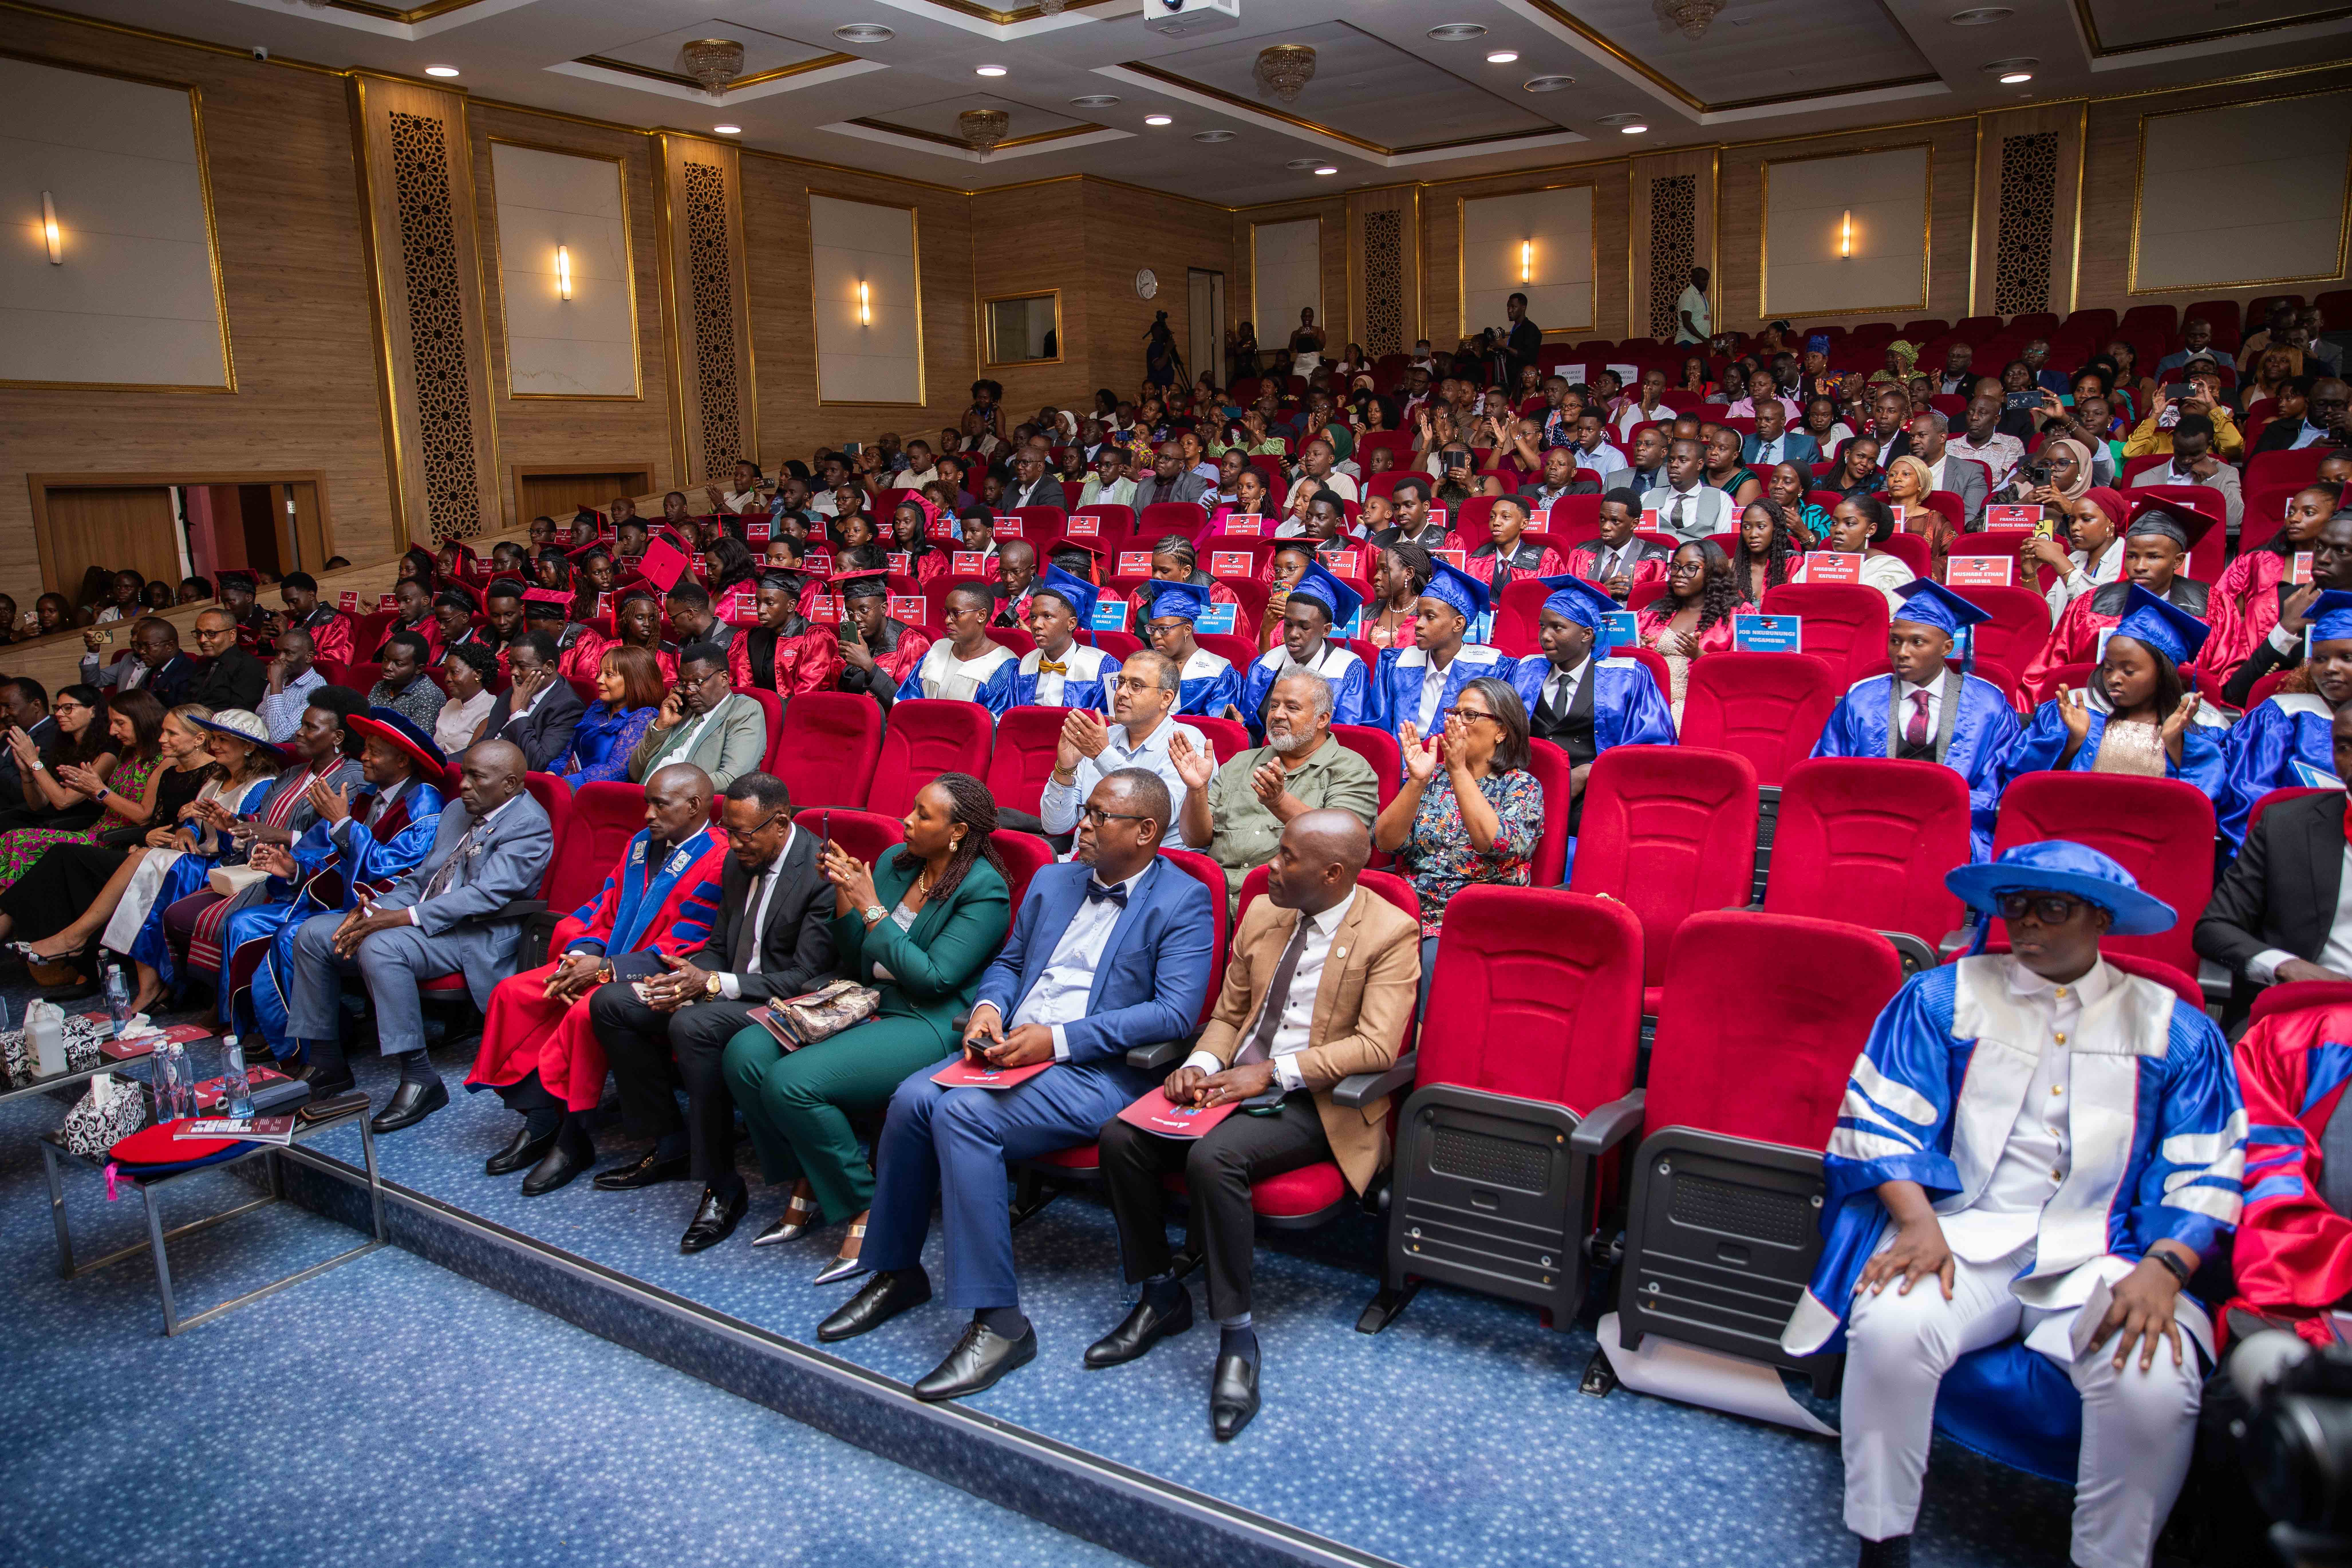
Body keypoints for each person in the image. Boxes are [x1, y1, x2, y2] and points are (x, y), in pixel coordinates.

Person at [814, 769, 1215, 1402]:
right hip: (1010, 1047)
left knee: (962, 1114)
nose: (1081, 824)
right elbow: (1006, 964)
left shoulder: (1183, 900)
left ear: (1145, 832)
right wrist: (988, 1009)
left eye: (1098, 816)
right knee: (914, 1098)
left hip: (1094, 1070)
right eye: (1084, 810)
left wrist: (1057, 1040)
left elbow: (1172, 1014)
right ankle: (896, 1269)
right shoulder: (1053, 880)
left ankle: (1000, 1322)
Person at [1090, 810, 1418, 1439]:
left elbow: (1377, 1048)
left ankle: (1238, 1338)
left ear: (1333, 873)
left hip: (1318, 1099)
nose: (1271, 863)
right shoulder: (1264, 913)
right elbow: (1227, 1011)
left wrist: (1270, 1073)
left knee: (1215, 1159)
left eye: (1289, 857)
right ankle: (1161, 1295)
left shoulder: (1390, 931)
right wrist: (1201, 1063)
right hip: (1232, 1078)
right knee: (1121, 1137)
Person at [725, 774, 1013, 1280]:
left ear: (957, 831)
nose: (907, 819)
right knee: (746, 1053)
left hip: (927, 1019)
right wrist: (845, 893)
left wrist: (871, 906)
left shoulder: (984, 889)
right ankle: (813, 1174)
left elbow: (933, 978)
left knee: (792, 1084)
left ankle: (867, 1206)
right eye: (912, 808)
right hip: (866, 998)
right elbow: (857, 959)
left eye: (924, 815)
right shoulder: (894, 865)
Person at [587, 771, 838, 1247]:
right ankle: (669, 1142)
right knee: (613, 1002)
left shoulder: (819, 873)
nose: (732, 843)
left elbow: (807, 977)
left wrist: (712, 984)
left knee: (693, 1024)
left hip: (786, 1004)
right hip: (725, 990)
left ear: (781, 823)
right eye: (728, 829)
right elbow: (719, 946)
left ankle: (722, 1184)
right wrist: (686, 976)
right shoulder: (740, 858)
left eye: (743, 832)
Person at [465, 764, 729, 1196]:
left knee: (588, 1011)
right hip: (602, 962)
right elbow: (602, 905)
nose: (647, 814)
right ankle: (542, 1118)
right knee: (513, 992)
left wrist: (607, 971)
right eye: (647, 803)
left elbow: (689, 945)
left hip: (655, 978)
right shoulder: (642, 845)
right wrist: (583, 954)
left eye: (660, 805)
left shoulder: (719, 859)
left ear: (695, 806)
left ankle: (572, 1138)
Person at [281, 738, 551, 1129]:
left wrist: (397, 920)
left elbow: (485, 896)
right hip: (426, 923)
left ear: (510, 784)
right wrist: (375, 911)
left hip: (476, 935)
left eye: (478, 778)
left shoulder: (529, 824)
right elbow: (424, 879)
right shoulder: (459, 810)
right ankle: (325, 1061)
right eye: (465, 775)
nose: (464, 786)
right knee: (312, 933)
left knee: (382, 946)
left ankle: (420, 1076)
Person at [222, 706, 449, 1064]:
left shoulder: (424, 802)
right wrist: (293, 868)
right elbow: (322, 852)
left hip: (378, 907)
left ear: (403, 760)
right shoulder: (366, 797)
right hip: (332, 899)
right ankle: (266, 1030)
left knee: (293, 934)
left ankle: (312, 1048)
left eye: (374, 751)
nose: (364, 757)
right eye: (366, 748)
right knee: (243, 922)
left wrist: (343, 822)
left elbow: (389, 868)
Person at [0, 700, 218, 972]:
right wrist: (143, 835)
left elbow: (162, 820)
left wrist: (99, 792)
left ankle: (67, 945)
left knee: (59, 854)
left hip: (158, 853)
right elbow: (155, 820)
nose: (113, 731)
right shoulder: (160, 766)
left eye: (172, 733)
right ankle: (68, 956)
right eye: (164, 732)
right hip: (138, 845)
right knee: (31, 844)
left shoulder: (205, 772)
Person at [1812, 580, 2020, 859]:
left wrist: (1933, 810)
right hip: (1868, 829)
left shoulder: (1987, 705)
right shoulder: (1861, 698)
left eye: (1917, 642)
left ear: (1947, 647)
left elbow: (1996, 785)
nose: (1902, 652)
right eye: (1895, 640)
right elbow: (1827, 771)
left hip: (1951, 833)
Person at [1374, 676, 1542, 1005]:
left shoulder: (1521, 787)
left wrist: (1459, 771)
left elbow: (1494, 844)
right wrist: (1418, 781)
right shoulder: (1432, 777)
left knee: (1420, 960)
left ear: (1501, 730)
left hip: (1473, 920)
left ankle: (1422, 1052)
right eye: (1454, 712)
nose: (1456, 722)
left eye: (1470, 715)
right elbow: (1385, 842)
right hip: (1407, 911)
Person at [1998, 585, 2223, 805]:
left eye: (2128, 671)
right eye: (2108, 668)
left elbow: (2204, 808)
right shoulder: (2070, 717)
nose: (2114, 678)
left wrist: (2177, 746)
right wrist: (2072, 743)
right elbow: (2021, 786)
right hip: (2070, 835)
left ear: (2163, 676)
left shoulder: (2193, 735)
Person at [1175, 668, 1380, 903]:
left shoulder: (1352, 770)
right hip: (1210, 897)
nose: (1278, 715)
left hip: (1287, 903)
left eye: (1292, 708)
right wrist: (1197, 790)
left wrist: (1279, 803)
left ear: (1322, 719)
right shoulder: (1241, 763)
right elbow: (1195, 839)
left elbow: (1345, 846)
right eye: (1273, 706)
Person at [2201, 703, 2352, 1020]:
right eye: (2343, 747)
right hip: (2304, 1015)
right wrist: (2285, 966)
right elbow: (2215, 928)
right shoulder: (2285, 824)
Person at [1508, 575, 1675, 853]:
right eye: (1542, 626)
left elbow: (1653, 749)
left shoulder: (1627, 677)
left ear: (1587, 634)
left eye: (1557, 627)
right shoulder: (1525, 672)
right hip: (1526, 793)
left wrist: (1592, 771)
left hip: (1596, 798)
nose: (1545, 635)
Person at [2022, 499, 2219, 696]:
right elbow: (2048, 670)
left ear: (2178, 561)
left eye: (2153, 557)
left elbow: (2223, 677)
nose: (2140, 566)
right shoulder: (2090, 604)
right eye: (2132, 556)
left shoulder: (2212, 607)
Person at [2215, 589, 2352, 847]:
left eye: (2347, 658)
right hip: (2291, 853)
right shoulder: (2282, 716)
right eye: (2320, 659)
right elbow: (2249, 805)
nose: (2331, 668)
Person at [0, 686, 166, 891]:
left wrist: (35, 763)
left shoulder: (154, 759)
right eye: (58, 708)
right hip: (95, 829)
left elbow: (142, 815)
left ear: (143, 720)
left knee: (19, 839)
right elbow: (42, 803)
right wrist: (30, 773)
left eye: (120, 723)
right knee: (10, 836)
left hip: (116, 837)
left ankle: (9, 911)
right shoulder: (128, 752)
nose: (113, 730)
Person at [1040, 650, 1209, 848]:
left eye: (1136, 686)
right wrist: (1065, 769)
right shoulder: (1101, 739)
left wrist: (1102, 755)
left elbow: (1159, 816)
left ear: (1166, 699)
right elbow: (1054, 826)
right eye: (1120, 683)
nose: (1121, 693)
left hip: (1150, 869)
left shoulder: (1186, 743)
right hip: (1082, 861)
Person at [1373, 559, 1514, 741]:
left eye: (1430, 617)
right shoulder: (1395, 664)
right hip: (1401, 764)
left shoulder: (1492, 670)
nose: (1418, 624)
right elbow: (1378, 730)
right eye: (1419, 616)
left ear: (1458, 624)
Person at [1234, 562, 1369, 737]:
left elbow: (1346, 734)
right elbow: (1253, 726)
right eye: (1288, 625)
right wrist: (1241, 727)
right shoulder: (1265, 664)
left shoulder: (1347, 670)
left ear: (1326, 630)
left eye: (1304, 628)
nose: (1293, 634)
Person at [629, 643, 767, 791]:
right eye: (684, 683)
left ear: (724, 679)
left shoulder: (744, 711)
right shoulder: (681, 711)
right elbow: (636, 773)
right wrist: (662, 727)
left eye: (698, 682)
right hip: (643, 798)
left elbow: (731, 779)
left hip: (684, 805)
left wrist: (670, 790)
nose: (689, 692)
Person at [1635, 540, 1743, 717]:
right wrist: (1637, 647)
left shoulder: (1737, 616)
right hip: (1648, 705)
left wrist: (1698, 655)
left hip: (1704, 708)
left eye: (1691, 568)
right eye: (1676, 567)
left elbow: (1743, 674)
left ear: (1711, 573)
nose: (1679, 574)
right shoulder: (1653, 613)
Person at [550, 645, 664, 788]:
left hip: (600, 795)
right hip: (569, 785)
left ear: (634, 680)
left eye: (609, 675)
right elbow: (568, 754)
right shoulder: (598, 707)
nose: (599, 680)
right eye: (600, 673)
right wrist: (552, 774)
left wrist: (567, 783)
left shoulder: (644, 716)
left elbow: (617, 771)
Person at [474, 630, 587, 772]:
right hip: (483, 767)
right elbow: (484, 742)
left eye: (522, 667)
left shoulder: (569, 707)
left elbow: (539, 764)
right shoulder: (511, 692)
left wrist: (519, 713)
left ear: (549, 667)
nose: (514, 673)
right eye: (511, 665)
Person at [895, 585, 1018, 714]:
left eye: (956, 614)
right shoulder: (937, 650)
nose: (948, 620)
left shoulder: (1004, 665)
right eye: (947, 613)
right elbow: (907, 702)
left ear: (981, 615)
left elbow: (996, 723)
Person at [1008, 567, 1114, 711]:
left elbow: (1112, 723)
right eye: (1033, 617)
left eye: (1048, 616)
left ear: (1071, 624)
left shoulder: (1102, 668)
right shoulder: (1023, 668)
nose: (1037, 625)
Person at [1136, 583, 1241, 719]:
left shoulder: (1217, 671)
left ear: (1187, 629)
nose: (1156, 636)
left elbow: (1217, 726)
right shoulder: (1145, 665)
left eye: (1164, 630)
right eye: (1152, 629)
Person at [2126, 411, 2242, 532]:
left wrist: (2213, 478)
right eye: (2180, 453)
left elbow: (2235, 520)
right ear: (2174, 444)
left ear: (2208, 445)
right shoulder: (2144, 480)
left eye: (2194, 454)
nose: (2186, 460)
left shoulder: (2226, 473)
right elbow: (2134, 527)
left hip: (2204, 545)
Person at [1815, 494, 1919, 616]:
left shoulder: (1890, 572)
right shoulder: (1817, 562)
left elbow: (1895, 621)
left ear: (1871, 530)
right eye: (1834, 523)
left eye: (1849, 523)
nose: (1838, 530)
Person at [1564, 490, 1670, 602]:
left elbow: (1657, 607)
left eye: (1615, 521)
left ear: (1634, 524)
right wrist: (1601, 592)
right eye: (1602, 519)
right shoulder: (1581, 554)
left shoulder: (1656, 561)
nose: (1606, 527)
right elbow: (1566, 599)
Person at [1643, 436, 1736, 543]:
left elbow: (1722, 545)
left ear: (1699, 465)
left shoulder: (1721, 499)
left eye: (1683, 461)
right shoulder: (1648, 497)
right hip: (1654, 559)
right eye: (1671, 460)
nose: (1674, 465)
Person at [79, 616, 193, 702]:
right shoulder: (128, 659)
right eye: (132, 634)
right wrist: (93, 652)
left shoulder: (162, 664)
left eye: (139, 636)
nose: (134, 640)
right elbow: (93, 682)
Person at [187, 607, 267, 712]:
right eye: (199, 634)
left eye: (211, 634)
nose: (203, 640)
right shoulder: (203, 664)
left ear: (232, 635)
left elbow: (240, 715)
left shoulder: (249, 666)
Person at [367, 629, 444, 733]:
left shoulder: (430, 696)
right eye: (386, 659)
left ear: (419, 669)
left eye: (398, 664)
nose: (387, 667)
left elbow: (418, 742)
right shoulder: (380, 686)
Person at [431, 641, 499, 756]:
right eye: (446, 673)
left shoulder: (492, 709)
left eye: (454, 673)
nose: (447, 679)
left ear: (478, 675)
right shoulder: (451, 704)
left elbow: (470, 755)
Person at [1744, 394, 1819, 470]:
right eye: (1758, 420)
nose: (1762, 425)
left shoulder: (1807, 445)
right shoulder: (1745, 443)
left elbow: (1813, 478)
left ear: (1783, 422)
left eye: (1768, 420)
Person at [1674, 266, 1710, 346]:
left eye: (1708, 280)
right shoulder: (1688, 295)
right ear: (1695, 280)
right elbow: (1687, 323)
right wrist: (1704, 339)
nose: (1706, 283)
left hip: (1698, 342)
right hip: (1687, 342)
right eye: (1704, 280)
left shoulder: (1701, 295)